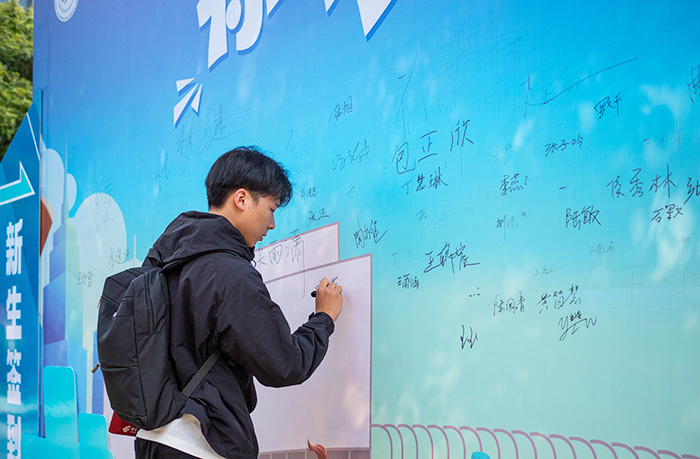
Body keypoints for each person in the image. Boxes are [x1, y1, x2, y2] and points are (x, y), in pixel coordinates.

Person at [133, 146, 344, 458]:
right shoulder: (227, 273)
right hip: (198, 442)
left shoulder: (165, 260)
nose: (272, 225)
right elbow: (285, 364)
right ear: (242, 199)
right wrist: (323, 318)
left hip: (153, 440)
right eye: (271, 209)